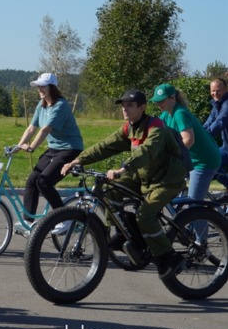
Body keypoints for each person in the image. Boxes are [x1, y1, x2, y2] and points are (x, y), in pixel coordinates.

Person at [60, 89, 187, 279]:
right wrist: (78, 160)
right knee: (109, 190)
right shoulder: (130, 128)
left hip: (167, 179)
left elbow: (147, 151)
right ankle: (122, 233)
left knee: (145, 215)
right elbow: (105, 146)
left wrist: (124, 168)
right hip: (144, 175)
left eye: (130, 105)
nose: (124, 109)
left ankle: (167, 257)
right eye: (123, 106)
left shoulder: (156, 127)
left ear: (142, 107)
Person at [16, 73, 83, 224]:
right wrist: (19, 146)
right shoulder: (42, 105)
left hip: (70, 149)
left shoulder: (60, 106)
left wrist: (31, 147)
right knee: (32, 180)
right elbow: (32, 128)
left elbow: (45, 129)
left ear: (52, 87)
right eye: (38, 86)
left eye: (42, 86)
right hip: (54, 149)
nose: (39, 89)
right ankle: (28, 222)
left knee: (44, 181)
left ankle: (64, 220)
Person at [151, 83, 221, 203]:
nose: (158, 104)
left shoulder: (180, 113)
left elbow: (188, 139)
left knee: (193, 206)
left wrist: (172, 158)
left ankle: (200, 213)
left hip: (203, 161)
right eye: (157, 101)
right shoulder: (166, 114)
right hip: (190, 161)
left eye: (162, 100)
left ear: (172, 98)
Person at [203, 76, 228, 192]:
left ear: (226, 89)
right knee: (209, 160)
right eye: (213, 91)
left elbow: (219, 122)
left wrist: (203, 138)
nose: (215, 93)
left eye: (218, 90)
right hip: (226, 148)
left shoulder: (227, 104)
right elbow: (208, 124)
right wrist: (198, 135)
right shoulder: (216, 106)